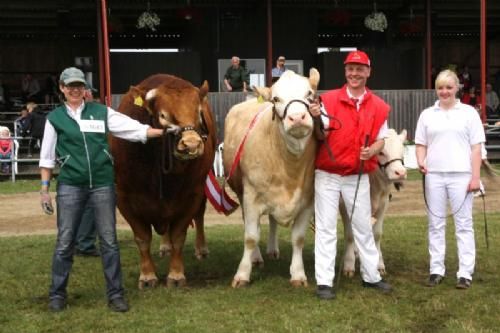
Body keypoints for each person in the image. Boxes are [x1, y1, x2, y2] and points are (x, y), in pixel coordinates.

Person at [39, 67, 164, 312]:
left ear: (85, 89)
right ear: (62, 89)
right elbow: (46, 159)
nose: (75, 90)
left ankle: (116, 295)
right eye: (70, 86)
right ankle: (57, 295)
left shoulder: (101, 112)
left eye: (79, 86)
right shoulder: (54, 119)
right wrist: (44, 190)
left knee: (109, 241)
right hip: (70, 186)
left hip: (103, 185)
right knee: (65, 242)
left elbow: (133, 129)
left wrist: (164, 132)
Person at [309, 50, 392, 300]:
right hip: (328, 174)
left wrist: (373, 150)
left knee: (363, 227)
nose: (354, 73)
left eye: (359, 69)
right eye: (350, 69)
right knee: (325, 228)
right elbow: (321, 132)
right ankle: (324, 282)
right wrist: (315, 117)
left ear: (368, 72)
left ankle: (371, 276)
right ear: (345, 72)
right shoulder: (328, 100)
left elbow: (382, 138)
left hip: (358, 175)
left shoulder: (378, 106)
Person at [415, 69, 484, 290]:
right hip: (434, 175)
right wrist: (421, 161)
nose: (444, 92)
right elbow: (420, 144)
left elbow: (476, 148)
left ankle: (465, 272)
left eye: (448, 87)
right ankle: (436, 269)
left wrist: (475, 177)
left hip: (462, 175)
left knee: (463, 225)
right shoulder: (427, 114)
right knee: (435, 224)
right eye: (440, 88)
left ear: (457, 88)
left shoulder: (469, 113)